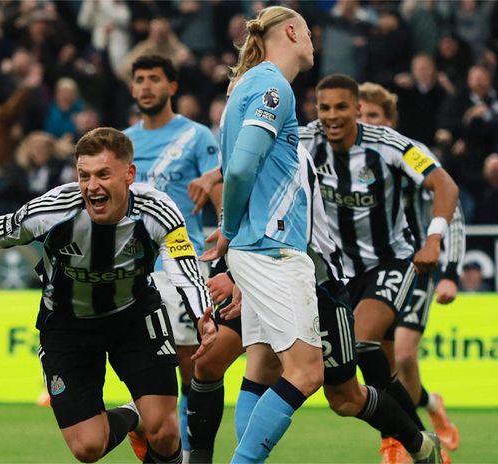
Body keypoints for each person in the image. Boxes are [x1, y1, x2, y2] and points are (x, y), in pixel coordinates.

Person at [0, 127, 217, 464]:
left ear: (129, 174)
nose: (91, 186)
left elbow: (183, 266)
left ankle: (148, 421)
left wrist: (203, 315)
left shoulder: (158, 210)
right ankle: (132, 417)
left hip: (134, 317)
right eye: (84, 175)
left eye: (102, 175)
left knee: (166, 431)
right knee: (88, 448)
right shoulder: (55, 209)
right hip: (68, 325)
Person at [185, 145, 443, 464]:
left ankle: (419, 443)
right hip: (262, 277)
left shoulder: (291, 156)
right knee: (246, 364)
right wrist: (232, 271)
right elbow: (238, 224)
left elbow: (292, 237)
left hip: (317, 284)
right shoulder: (242, 153)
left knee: (346, 398)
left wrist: (235, 276)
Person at [300, 73, 458, 463]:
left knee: (361, 342)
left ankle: (407, 441)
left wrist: (434, 240)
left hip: (392, 261)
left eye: (341, 107)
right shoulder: (304, 140)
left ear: (357, 109)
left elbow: (445, 186)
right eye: (324, 108)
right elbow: (253, 155)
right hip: (337, 272)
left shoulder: (390, 145)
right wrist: (214, 176)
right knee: (375, 367)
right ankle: (415, 438)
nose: (332, 116)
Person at [199, 7, 324, 463]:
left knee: (265, 365)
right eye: (309, 33)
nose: (313, 43)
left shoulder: (246, 87)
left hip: (254, 250)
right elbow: (240, 167)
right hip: (271, 250)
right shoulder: (274, 86)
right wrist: (229, 231)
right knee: (307, 371)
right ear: (291, 31)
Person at [123, 54, 221, 462]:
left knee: (187, 364)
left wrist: (224, 233)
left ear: (172, 87)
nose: (146, 86)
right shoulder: (123, 142)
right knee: (141, 367)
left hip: (179, 265)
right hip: (129, 269)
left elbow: (219, 187)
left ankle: (182, 450)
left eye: (154, 79)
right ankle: (161, 445)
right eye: (140, 79)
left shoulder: (196, 137)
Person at [358, 81, 463, 453]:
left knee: (402, 355)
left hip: (416, 266)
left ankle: (406, 442)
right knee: (382, 368)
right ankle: (414, 428)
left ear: (389, 120)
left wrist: (449, 272)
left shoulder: (412, 153)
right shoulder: (346, 160)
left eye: (373, 115)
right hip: (369, 271)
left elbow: (452, 207)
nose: (365, 122)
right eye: (361, 115)